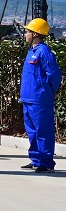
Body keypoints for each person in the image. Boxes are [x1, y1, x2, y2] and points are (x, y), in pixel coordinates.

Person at [19, 19, 62, 173]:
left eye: (28, 32)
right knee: (32, 131)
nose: (26, 34)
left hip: (40, 98)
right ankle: (36, 160)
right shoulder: (32, 51)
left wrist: (51, 90)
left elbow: (54, 74)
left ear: (35, 34)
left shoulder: (44, 52)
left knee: (43, 131)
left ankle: (46, 162)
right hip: (28, 98)